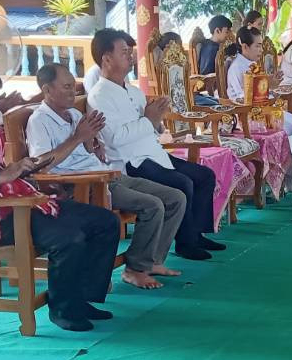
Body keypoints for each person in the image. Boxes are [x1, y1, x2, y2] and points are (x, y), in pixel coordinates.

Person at [0, 55, 119, 332]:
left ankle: (79, 298)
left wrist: (16, 171)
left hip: (11, 201)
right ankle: (63, 307)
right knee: (68, 236)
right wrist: (1, 177)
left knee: (104, 222)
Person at [27, 63, 185, 291]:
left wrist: (93, 143)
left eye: (74, 86)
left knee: (175, 197)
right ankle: (135, 269)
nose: (73, 92)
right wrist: (77, 138)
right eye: (67, 87)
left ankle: (152, 261)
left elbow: (88, 150)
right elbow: (40, 165)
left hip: (105, 173)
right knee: (152, 206)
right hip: (83, 183)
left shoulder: (73, 113)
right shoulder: (39, 120)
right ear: (47, 90)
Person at [86, 28, 223, 262]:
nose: (130, 56)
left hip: (153, 154)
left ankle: (196, 234)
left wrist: (158, 120)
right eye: (124, 52)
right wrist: (149, 119)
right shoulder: (99, 96)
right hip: (130, 162)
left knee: (204, 175)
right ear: (106, 59)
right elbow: (115, 139)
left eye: (130, 51)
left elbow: (151, 127)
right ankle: (185, 243)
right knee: (183, 183)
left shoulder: (134, 92)